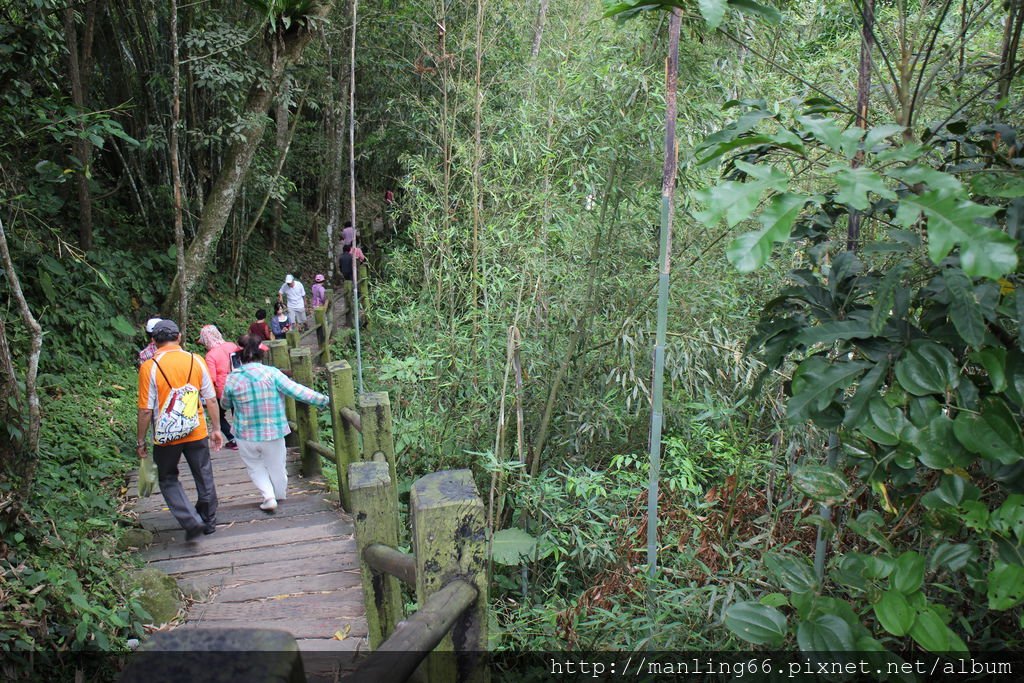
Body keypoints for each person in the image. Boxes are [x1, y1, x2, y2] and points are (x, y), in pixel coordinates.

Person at [136, 319, 223, 541]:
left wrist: (141, 441)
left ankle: (190, 520)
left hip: (166, 436)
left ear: (154, 342)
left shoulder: (149, 367)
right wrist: (216, 429)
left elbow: (146, 410)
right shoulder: (196, 360)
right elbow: (211, 399)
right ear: (179, 337)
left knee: (167, 478)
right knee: (203, 474)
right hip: (196, 429)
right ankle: (208, 521)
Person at [221, 334, 329, 512]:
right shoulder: (272, 374)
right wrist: (324, 400)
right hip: (273, 431)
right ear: (261, 355)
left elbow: (225, 403)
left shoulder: (233, 378)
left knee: (255, 467)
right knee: (278, 467)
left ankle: (268, 497)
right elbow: (298, 391)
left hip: (245, 434)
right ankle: (280, 497)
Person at [198, 324, 241, 451]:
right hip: (239, 384)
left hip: (222, 390)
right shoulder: (232, 346)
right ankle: (242, 438)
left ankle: (232, 439)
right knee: (237, 413)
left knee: (218, 415)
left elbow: (212, 378)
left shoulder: (211, 355)